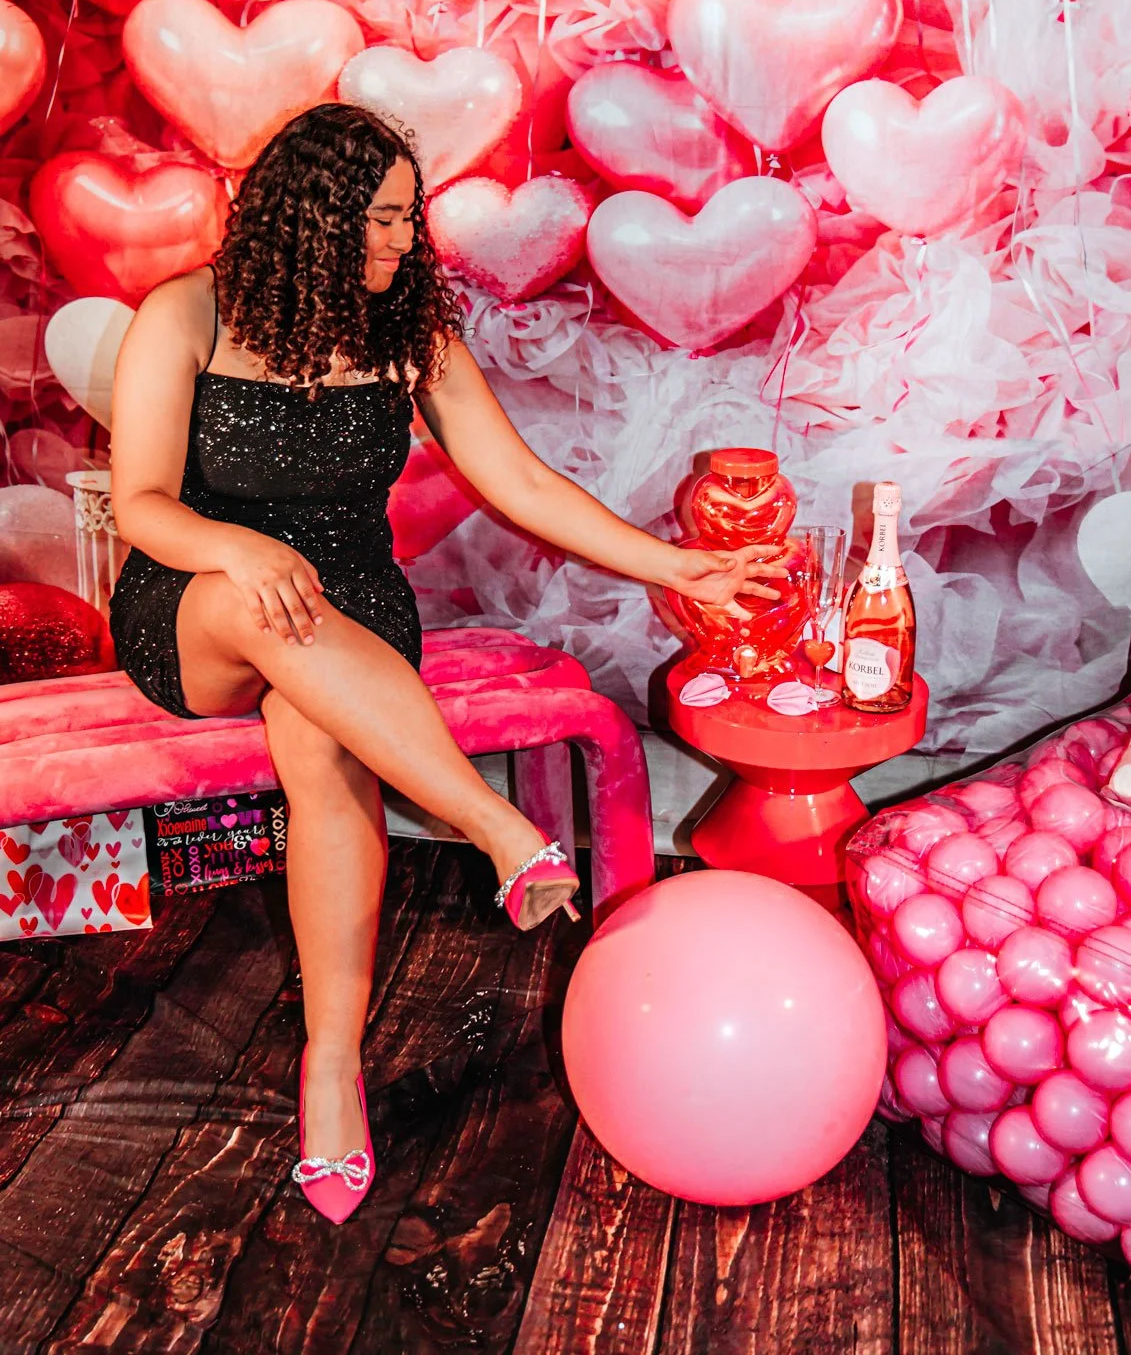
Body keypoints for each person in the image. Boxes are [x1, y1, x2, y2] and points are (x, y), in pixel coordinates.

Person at [107, 103, 787, 1222]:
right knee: (260, 599)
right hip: (197, 597)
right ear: (310, 218)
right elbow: (140, 504)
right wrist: (237, 543)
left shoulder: (406, 329)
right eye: (377, 222)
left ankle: (332, 1066)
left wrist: (679, 564)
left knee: (320, 734)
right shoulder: (184, 313)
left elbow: (519, 484)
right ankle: (498, 830)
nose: (399, 243)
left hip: (352, 611)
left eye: (403, 221)